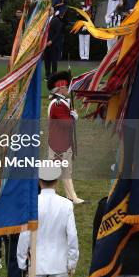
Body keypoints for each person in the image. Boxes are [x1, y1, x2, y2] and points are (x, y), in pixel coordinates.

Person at [17, 166, 79, 277]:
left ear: (39, 181)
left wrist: (22, 262)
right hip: (59, 265)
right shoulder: (66, 204)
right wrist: (72, 263)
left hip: (36, 265)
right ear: (56, 181)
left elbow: (24, 235)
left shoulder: (31, 204)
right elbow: (72, 236)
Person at [92, 197, 139, 277]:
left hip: (112, 262)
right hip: (135, 261)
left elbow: (97, 236)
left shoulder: (105, 203)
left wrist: (96, 261)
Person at [47, 71, 84, 204]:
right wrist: (73, 117)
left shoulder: (60, 102)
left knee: (63, 170)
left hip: (60, 141)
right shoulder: (58, 104)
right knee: (61, 170)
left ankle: (68, 196)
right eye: (67, 86)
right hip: (60, 142)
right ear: (61, 88)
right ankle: (69, 197)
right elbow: (66, 124)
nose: (69, 88)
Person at [44, 7, 65, 79]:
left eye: (50, 10)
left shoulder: (56, 20)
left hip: (53, 44)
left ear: (53, 12)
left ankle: (54, 76)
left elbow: (58, 33)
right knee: (46, 60)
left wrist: (52, 41)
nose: (49, 11)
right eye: (48, 10)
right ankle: (47, 75)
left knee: (53, 60)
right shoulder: (45, 20)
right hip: (45, 44)